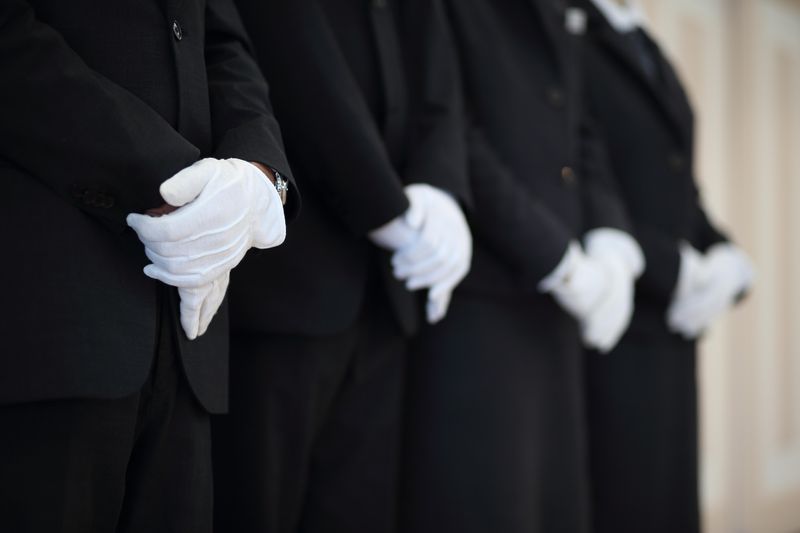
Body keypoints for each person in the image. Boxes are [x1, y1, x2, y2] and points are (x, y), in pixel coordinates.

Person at [0, 1, 294, 531]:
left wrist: (259, 172)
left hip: (189, 339)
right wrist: (180, 190)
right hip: (45, 321)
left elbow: (222, 42)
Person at [212, 0, 472, 532]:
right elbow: (298, 57)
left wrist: (441, 186)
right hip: (288, 286)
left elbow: (439, 73)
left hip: (386, 295)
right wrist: (389, 212)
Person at [401, 1, 644, 532]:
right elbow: (451, 128)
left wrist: (610, 240)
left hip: (554, 311)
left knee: (554, 506)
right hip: (479, 299)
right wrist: (557, 259)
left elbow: (580, 128)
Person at [577, 1, 754, 532]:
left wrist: (727, 256)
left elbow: (678, 188)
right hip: (610, 332)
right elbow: (576, 178)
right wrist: (672, 268)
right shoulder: (567, 29)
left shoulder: (644, 40)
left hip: (673, 335)